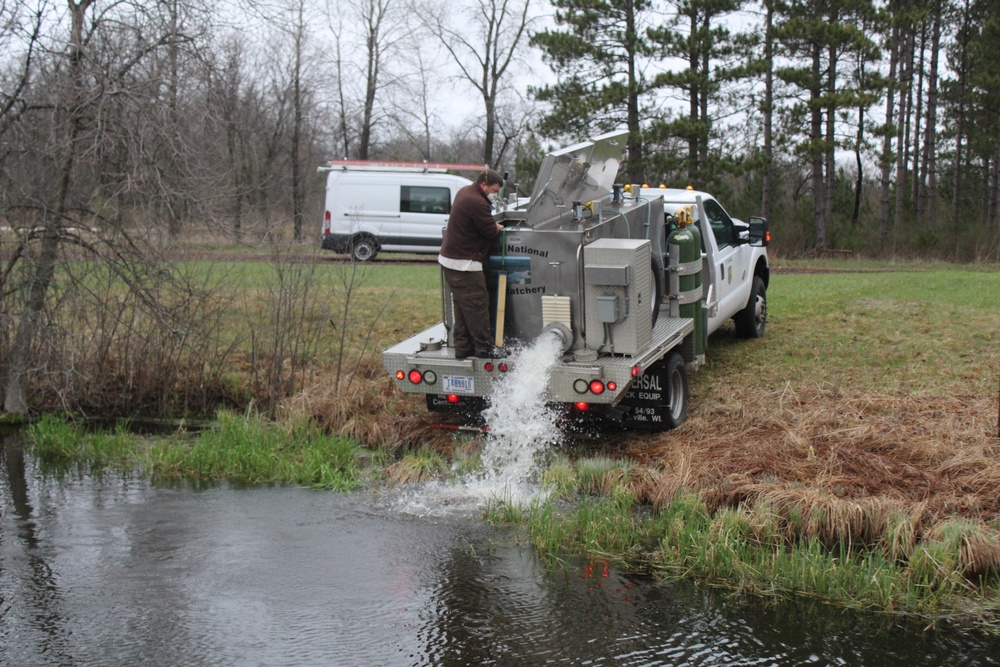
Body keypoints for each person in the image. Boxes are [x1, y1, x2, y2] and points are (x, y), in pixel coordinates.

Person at [438, 168, 506, 359]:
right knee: (477, 306)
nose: (495, 195)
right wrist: (496, 227)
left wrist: (490, 224)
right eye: (493, 191)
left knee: (462, 306)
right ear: (483, 185)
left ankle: (462, 348)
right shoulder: (478, 203)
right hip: (465, 265)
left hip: (449, 260)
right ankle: (484, 349)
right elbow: (490, 231)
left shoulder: (464, 192)